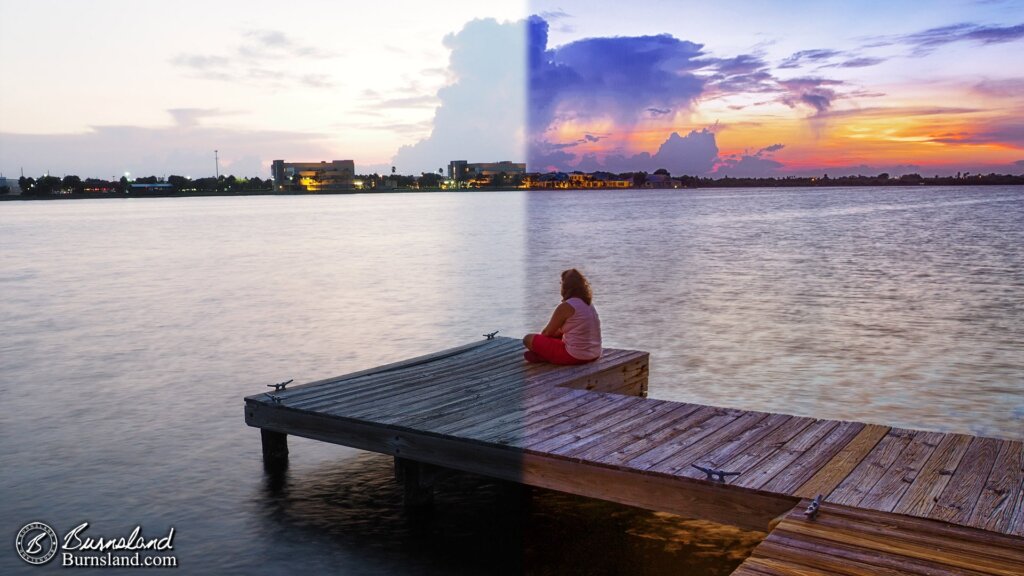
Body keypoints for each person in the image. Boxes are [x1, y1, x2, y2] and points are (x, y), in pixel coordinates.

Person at [523, 268, 602, 364]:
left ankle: (544, 356)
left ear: (565, 287)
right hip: (595, 354)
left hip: (575, 356)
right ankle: (544, 356)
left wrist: (541, 343)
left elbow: (547, 333)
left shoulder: (566, 306)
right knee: (558, 336)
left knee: (528, 339)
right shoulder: (588, 304)